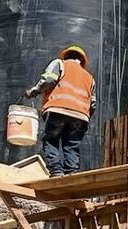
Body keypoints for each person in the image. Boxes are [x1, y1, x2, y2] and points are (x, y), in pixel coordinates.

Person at [24, 45, 97, 177]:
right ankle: (72, 173)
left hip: (58, 109)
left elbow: (48, 80)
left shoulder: (60, 64)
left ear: (66, 56)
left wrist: (33, 91)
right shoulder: (90, 78)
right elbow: (93, 103)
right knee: (71, 145)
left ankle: (56, 172)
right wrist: (85, 118)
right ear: (81, 60)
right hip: (81, 116)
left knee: (51, 140)